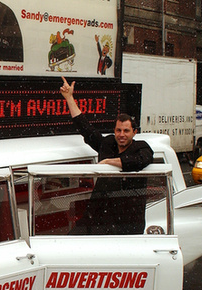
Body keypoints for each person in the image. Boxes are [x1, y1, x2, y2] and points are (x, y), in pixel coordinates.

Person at [59, 77, 153, 235]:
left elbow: (141, 161)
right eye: (118, 130)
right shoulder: (108, 144)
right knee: (68, 243)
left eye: (126, 131)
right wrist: (69, 98)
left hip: (127, 223)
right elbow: (86, 128)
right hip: (97, 217)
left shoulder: (141, 147)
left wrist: (110, 162)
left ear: (134, 132)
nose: (121, 135)